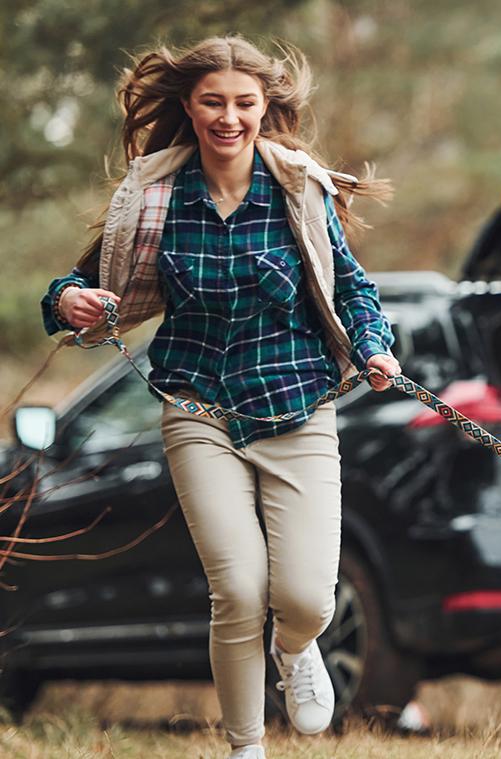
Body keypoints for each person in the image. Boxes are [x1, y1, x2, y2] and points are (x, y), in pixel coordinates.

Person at [38, 37, 399, 759]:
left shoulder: (297, 191)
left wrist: (375, 344)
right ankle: (244, 747)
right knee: (236, 590)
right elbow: (73, 287)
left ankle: (297, 648)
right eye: (212, 102)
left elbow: (353, 287)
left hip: (297, 408)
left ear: (266, 109)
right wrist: (72, 301)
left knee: (304, 598)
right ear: (188, 106)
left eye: (243, 103)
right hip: (196, 405)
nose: (228, 117)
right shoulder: (154, 195)